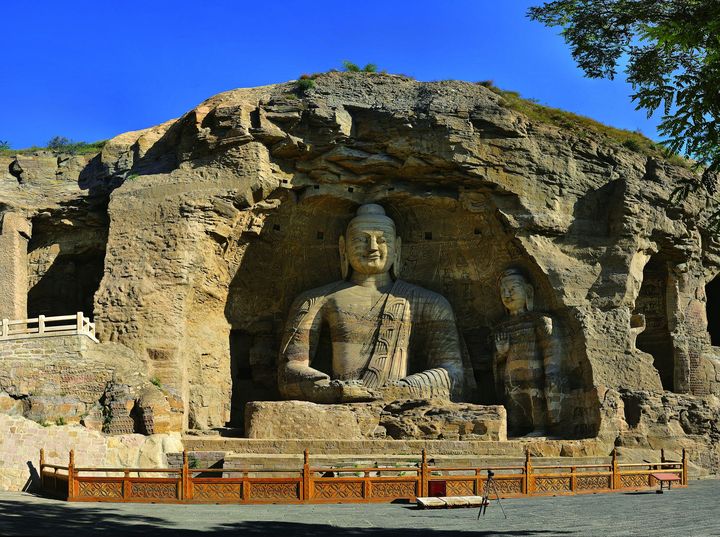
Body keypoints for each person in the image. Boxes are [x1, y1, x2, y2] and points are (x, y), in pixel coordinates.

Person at [278, 204, 465, 403]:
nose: (373, 247)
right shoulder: (315, 300)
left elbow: (453, 376)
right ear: (343, 247)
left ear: (397, 247)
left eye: (382, 240)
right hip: (339, 401)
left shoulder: (430, 302)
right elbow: (289, 371)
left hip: (401, 402)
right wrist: (334, 390)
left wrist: (401, 389)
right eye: (361, 240)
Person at [493, 267, 563, 436]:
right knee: (513, 398)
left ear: (528, 291)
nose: (507, 294)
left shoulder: (540, 320)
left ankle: (540, 428)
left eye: (512, 289)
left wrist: (551, 372)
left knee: (535, 397)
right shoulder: (501, 326)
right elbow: (495, 361)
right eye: (503, 291)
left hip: (534, 369)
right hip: (511, 374)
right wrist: (501, 352)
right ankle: (517, 428)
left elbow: (550, 348)